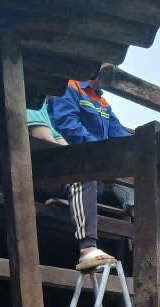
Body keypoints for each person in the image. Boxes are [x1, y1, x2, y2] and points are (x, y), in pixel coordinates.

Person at [47, 76, 130, 272]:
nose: (114, 73)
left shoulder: (103, 103)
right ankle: (88, 249)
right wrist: (100, 150)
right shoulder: (69, 86)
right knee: (85, 175)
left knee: (133, 187)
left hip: (96, 171)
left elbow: (120, 136)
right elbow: (66, 124)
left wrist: (145, 146)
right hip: (66, 167)